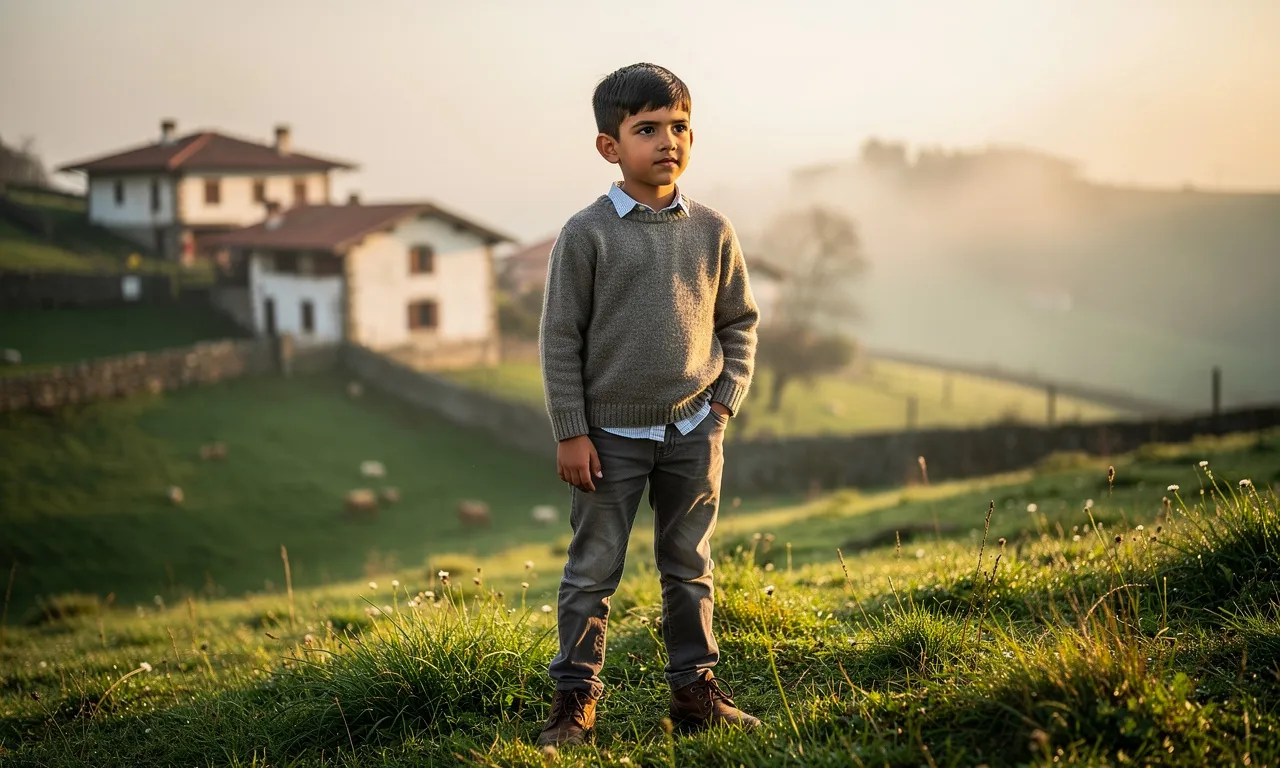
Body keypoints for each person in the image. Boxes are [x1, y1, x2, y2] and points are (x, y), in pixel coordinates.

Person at [536, 62, 761, 748]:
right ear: (611, 146)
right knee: (592, 569)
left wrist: (724, 401)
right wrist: (572, 433)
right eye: (648, 129)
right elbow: (559, 338)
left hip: (694, 430)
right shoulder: (587, 234)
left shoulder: (713, 229)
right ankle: (576, 701)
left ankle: (696, 691)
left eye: (680, 126)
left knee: (690, 565)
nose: (669, 141)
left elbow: (740, 321)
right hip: (608, 441)